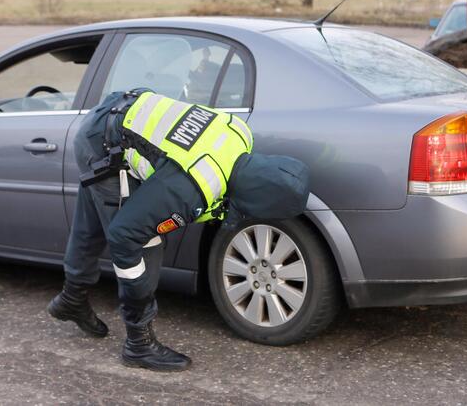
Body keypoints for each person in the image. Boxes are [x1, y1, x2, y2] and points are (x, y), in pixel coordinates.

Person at [47, 88, 309, 372]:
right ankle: (139, 344)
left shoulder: (239, 134)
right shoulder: (194, 185)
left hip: (116, 112)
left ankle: (71, 300)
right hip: (105, 143)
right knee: (143, 241)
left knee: (94, 217)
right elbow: (124, 235)